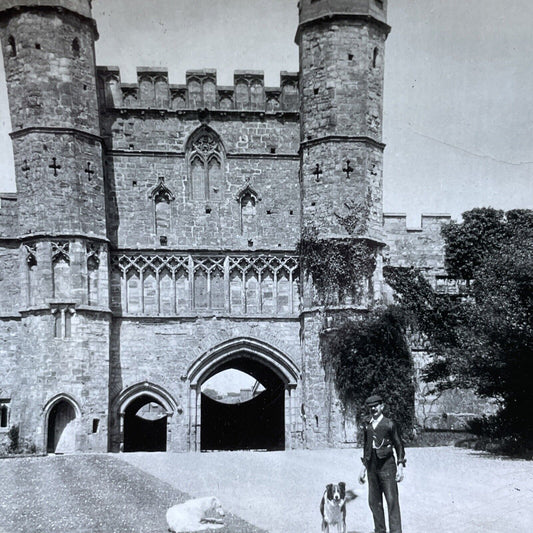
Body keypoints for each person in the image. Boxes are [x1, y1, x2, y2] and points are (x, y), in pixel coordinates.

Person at [358, 394, 406, 533]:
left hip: (387, 466)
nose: (373, 409)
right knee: (374, 502)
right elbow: (367, 448)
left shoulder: (389, 424)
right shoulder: (367, 425)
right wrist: (363, 468)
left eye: (376, 406)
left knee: (392, 502)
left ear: (382, 406)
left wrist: (400, 465)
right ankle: (380, 530)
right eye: (371, 407)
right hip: (372, 467)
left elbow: (399, 445)